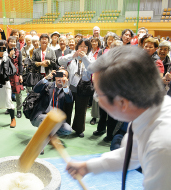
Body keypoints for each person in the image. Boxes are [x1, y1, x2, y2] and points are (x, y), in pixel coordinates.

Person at [66, 46, 171, 190]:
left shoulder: (162, 146)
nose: (96, 98)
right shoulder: (146, 112)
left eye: (98, 94)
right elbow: (130, 155)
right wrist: (87, 166)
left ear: (122, 102)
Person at [58, 38, 94, 138]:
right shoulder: (72, 56)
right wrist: (72, 56)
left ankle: (79, 129)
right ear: (77, 47)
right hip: (71, 86)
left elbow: (92, 69)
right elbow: (59, 60)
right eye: (80, 46)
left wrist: (85, 58)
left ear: (88, 48)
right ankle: (65, 127)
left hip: (84, 87)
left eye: (85, 46)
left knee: (81, 109)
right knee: (67, 108)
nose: (82, 48)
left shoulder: (91, 58)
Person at [30, 69, 73, 136]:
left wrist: (65, 87)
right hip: (40, 116)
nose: (60, 78)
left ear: (67, 79)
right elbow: (35, 89)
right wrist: (47, 78)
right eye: (59, 75)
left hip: (55, 119)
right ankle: (47, 135)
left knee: (68, 130)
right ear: (55, 76)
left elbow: (69, 100)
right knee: (47, 120)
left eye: (63, 76)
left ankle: (50, 134)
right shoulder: (48, 85)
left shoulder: (66, 90)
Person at [7, 36, 24, 118]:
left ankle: (19, 110)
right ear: (8, 42)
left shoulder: (18, 52)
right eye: (11, 41)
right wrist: (9, 56)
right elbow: (4, 63)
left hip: (16, 74)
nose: (13, 43)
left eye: (14, 42)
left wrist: (21, 75)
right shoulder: (4, 52)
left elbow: (20, 64)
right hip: (7, 74)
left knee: (18, 93)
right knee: (7, 92)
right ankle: (9, 108)